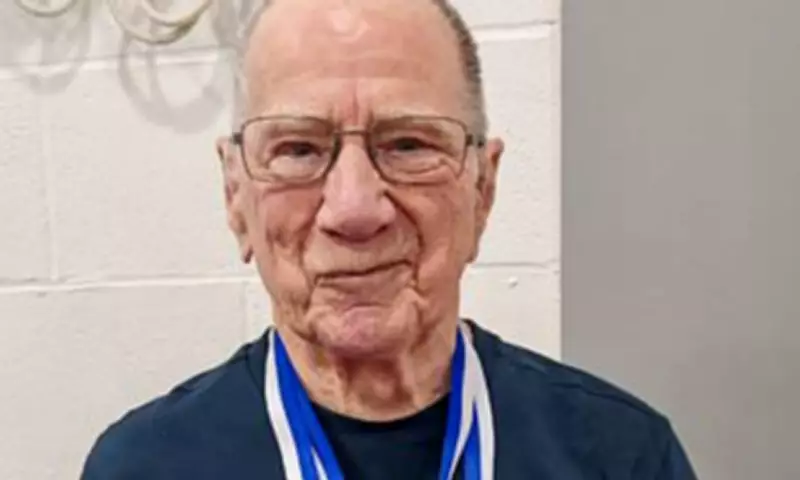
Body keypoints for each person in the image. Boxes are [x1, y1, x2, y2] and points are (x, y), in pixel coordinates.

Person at [81, 0, 697, 478]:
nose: (354, 209)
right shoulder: (143, 469)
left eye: (407, 144)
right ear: (235, 196)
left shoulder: (621, 458)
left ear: (482, 189)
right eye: (298, 149)